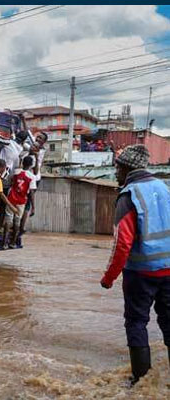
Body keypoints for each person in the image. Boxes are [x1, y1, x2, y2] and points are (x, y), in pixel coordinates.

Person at [100, 144, 170, 386]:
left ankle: (140, 381)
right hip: (169, 270)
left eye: (116, 168)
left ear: (125, 168)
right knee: (169, 321)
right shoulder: (164, 188)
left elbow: (122, 244)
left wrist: (108, 278)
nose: (115, 173)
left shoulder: (129, 195)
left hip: (141, 273)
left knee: (136, 322)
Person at [2, 156, 37, 248]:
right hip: (21, 201)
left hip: (11, 198)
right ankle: (13, 243)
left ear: (22, 163)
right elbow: (31, 193)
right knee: (17, 221)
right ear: (31, 165)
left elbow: (11, 181)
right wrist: (33, 207)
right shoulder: (32, 177)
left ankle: (4, 243)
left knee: (8, 220)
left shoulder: (16, 172)